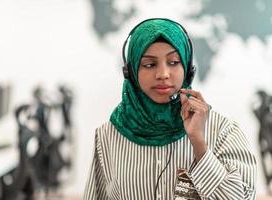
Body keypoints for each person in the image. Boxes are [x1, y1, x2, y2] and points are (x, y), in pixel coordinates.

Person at [84, 18, 256, 199]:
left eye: (173, 62)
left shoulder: (223, 131)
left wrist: (199, 143)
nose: (163, 74)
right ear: (131, 72)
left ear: (188, 68)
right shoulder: (107, 136)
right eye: (149, 64)